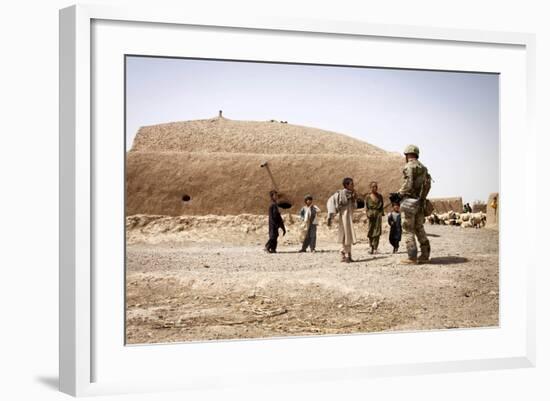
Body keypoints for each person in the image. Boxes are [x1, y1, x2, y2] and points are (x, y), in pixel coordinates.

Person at [397, 145, 432, 264]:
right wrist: (422, 198)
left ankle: (412, 257)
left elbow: (408, 183)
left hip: (409, 202)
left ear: (407, 155)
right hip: (420, 203)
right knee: (419, 228)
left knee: (408, 229)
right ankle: (425, 255)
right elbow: (427, 185)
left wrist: (399, 194)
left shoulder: (409, 166)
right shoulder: (423, 168)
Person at [327, 177, 357, 263]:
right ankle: (344, 254)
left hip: (349, 216)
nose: (353, 185)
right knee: (345, 235)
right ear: (346, 185)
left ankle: (349, 255)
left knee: (349, 236)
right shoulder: (340, 193)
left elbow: (355, 206)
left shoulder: (353, 193)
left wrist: (354, 198)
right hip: (344, 217)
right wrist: (331, 214)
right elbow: (332, 202)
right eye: (351, 184)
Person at [365, 181, 384, 254]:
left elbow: (381, 206)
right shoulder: (368, 197)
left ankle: (376, 247)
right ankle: (371, 247)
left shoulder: (380, 196)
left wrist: (381, 213)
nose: (375, 188)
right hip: (371, 215)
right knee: (371, 230)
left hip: (378, 215)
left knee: (377, 231)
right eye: (373, 186)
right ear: (370, 187)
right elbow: (366, 207)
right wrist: (368, 214)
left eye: (376, 186)